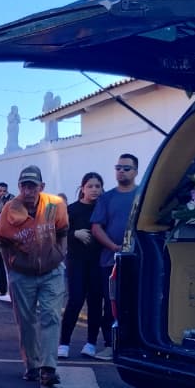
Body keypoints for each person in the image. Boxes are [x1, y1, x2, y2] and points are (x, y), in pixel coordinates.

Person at [0, 165, 68, 388]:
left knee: (51, 316)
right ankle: (32, 365)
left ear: (41, 187)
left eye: (32, 186)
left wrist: (60, 255)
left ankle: (48, 368)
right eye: (24, 186)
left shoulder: (55, 205)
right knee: (26, 321)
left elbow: (63, 231)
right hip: (22, 273)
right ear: (19, 187)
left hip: (51, 270)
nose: (28, 191)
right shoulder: (10, 209)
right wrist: (11, 270)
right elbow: (2, 242)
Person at [90, 153, 139, 361]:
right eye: (118, 167)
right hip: (110, 262)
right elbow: (96, 227)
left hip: (137, 261)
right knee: (111, 306)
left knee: (135, 304)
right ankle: (110, 345)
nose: (121, 171)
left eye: (126, 168)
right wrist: (114, 247)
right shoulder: (106, 197)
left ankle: (134, 346)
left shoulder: (143, 195)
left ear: (135, 171)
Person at [58, 172, 106, 360]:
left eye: (97, 186)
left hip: (98, 262)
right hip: (76, 261)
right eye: (90, 186)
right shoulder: (72, 209)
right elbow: (59, 232)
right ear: (83, 188)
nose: (94, 190)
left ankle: (91, 343)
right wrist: (74, 234)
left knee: (95, 303)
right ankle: (64, 343)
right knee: (75, 300)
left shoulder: (104, 208)